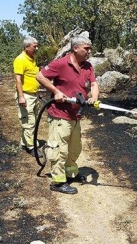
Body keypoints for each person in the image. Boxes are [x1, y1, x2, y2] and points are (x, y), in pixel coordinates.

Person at [36, 35, 99, 194]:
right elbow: (40, 76)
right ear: (75, 48)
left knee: (74, 148)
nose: (89, 51)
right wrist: (56, 91)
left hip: (76, 115)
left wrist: (94, 97)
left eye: (90, 48)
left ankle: (70, 173)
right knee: (59, 149)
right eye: (86, 48)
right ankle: (57, 182)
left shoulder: (88, 66)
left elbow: (93, 84)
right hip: (60, 114)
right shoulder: (61, 63)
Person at [13, 36, 41, 156]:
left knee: (32, 120)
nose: (37, 48)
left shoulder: (32, 58)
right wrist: (21, 96)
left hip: (34, 95)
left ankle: (24, 144)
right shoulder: (20, 59)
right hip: (25, 95)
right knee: (29, 122)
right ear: (26, 47)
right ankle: (31, 147)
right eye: (34, 46)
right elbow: (18, 79)